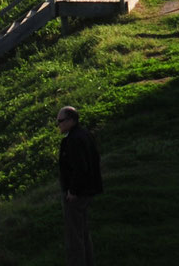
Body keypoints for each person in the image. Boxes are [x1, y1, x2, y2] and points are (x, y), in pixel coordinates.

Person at [55, 104, 103, 265]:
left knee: (74, 237)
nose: (58, 125)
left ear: (71, 120)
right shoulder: (85, 135)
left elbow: (80, 167)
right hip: (87, 191)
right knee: (83, 232)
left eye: (60, 121)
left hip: (76, 194)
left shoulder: (74, 140)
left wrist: (72, 191)